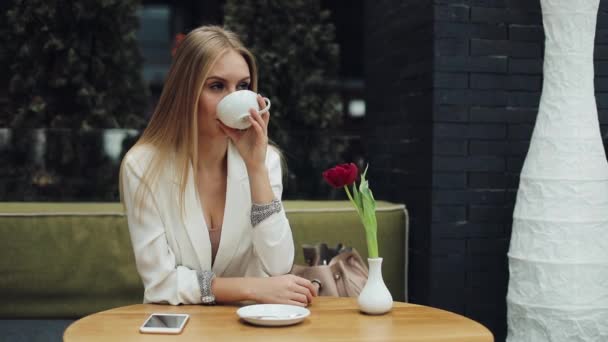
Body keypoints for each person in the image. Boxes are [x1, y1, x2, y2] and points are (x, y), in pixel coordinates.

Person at [119, 26, 316, 307]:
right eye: (217, 86)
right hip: (183, 326)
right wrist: (252, 288)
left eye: (243, 87)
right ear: (185, 94)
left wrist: (256, 168)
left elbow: (278, 265)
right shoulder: (143, 166)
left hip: (251, 325)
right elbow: (160, 284)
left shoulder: (265, 160)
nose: (235, 99)